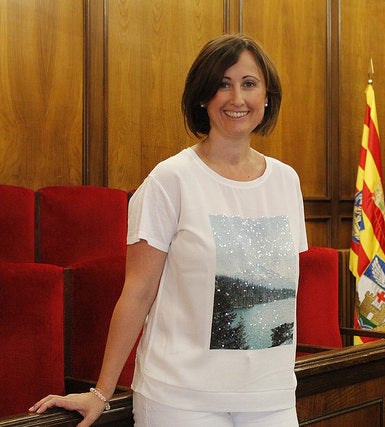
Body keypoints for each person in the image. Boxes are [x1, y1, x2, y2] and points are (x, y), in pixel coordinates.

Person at [29, 33, 307, 427]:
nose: (237, 98)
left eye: (249, 83)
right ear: (203, 96)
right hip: (181, 399)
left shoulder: (286, 181)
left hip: (271, 396)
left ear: (267, 96)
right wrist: (101, 392)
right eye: (223, 84)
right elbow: (138, 291)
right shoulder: (170, 180)